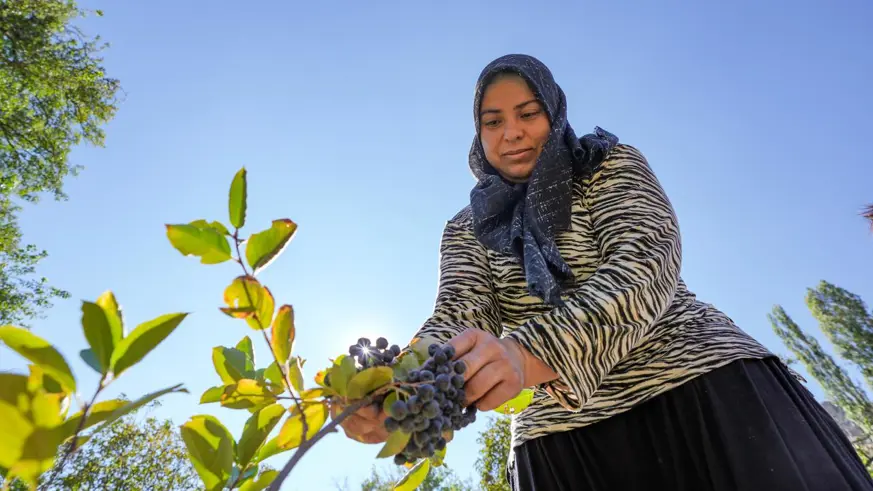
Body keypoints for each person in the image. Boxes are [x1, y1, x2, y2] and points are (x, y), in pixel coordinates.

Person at [335, 54, 873, 490]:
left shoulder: (606, 167)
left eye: (528, 113)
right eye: (492, 121)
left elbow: (645, 263)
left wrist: (527, 354)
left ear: (554, 112)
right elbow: (458, 313)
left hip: (699, 383)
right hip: (564, 437)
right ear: (478, 135)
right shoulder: (465, 228)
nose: (512, 133)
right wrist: (396, 389)